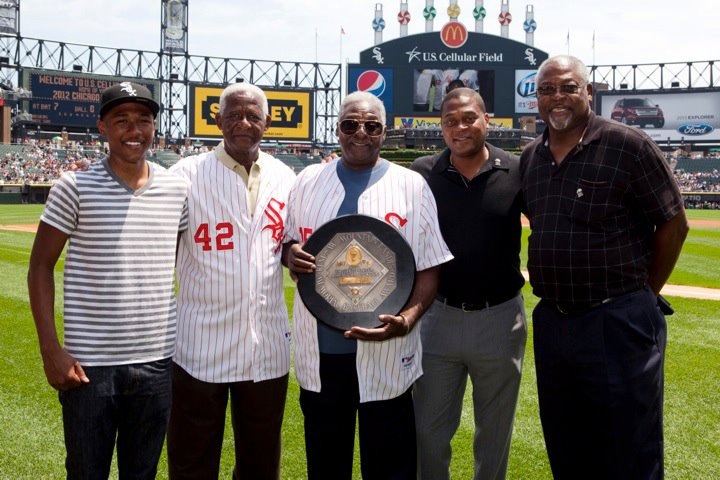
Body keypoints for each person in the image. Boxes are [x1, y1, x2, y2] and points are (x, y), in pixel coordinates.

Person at [520, 55, 689, 480]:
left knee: (630, 446)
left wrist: (645, 294)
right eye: (547, 90)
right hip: (555, 321)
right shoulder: (530, 158)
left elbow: (674, 223)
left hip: (617, 317)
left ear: (588, 93)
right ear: (536, 99)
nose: (557, 97)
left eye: (568, 87)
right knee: (565, 440)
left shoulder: (628, 144)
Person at [284, 91, 453, 480]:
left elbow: (430, 266)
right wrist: (290, 252)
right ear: (338, 129)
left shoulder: (412, 185)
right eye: (350, 124)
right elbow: (288, 241)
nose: (360, 133)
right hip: (322, 355)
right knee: (327, 465)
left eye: (371, 126)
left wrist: (408, 319)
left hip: (387, 350)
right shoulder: (308, 180)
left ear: (384, 132)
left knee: (390, 467)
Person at [27, 81, 188, 479]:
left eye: (143, 120)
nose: (134, 130)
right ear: (102, 126)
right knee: (86, 472)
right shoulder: (73, 187)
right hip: (89, 366)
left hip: (156, 362)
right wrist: (51, 350)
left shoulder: (177, 189)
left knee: (143, 473)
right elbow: (40, 267)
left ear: (154, 127)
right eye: (122, 120)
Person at [166, 82, 296, 480]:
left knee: (260, 463)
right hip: (198, 345)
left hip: (267, 345)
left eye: (253, 115)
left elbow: (289, 242)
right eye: (234, 114)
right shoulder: (184, 175)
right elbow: (161, 251)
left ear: (267, 122)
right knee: (192, 460)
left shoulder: (286, 175)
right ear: (217, 119)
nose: (243, 122)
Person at [411, 88, 527, 480]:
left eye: (468, 118)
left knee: (494, 434)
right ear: (441, 127)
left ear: (486, 119)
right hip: (438, 316)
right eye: (450, 121)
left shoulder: (516, 169)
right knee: (428, 431)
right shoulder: (422, 172)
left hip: (500, 317)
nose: (460, 128)